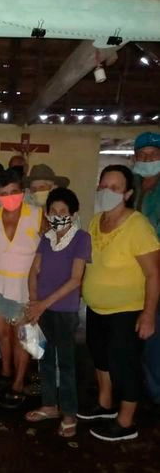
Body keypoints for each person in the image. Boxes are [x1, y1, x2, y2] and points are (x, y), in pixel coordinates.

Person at [78, 165, 159, 442]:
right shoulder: (95, 221)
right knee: (101, 358)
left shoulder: (138, 226)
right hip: (96, 308)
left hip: (126, 311)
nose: (107, 192)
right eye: (103, 186)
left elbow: (154, 274)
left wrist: (148, 314)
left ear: (127, 194)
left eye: (114, 188)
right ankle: (105, 404)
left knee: (124, 365)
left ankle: (126, 422)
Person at [25, 188, 91, 438]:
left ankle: (70, 413)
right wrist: (34, 302)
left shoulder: (81, 239)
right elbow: (34, 270)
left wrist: (42, 304)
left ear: (73, 215)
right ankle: (50, 405)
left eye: (63, 211)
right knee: (43, 358)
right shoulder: (46, 238)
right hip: (41, 309)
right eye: (53, 211)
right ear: (47, 214)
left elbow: (75, 279)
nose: (57, 216)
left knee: (66, 363)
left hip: (64, 311)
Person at [0, 169, 43, 408]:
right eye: (4, 193)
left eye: (14, 192)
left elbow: (49, 250)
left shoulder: (37, 215)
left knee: (23, 337)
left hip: (26, 287)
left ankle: (19, 383)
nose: (10, 197)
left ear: (23, 192)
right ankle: (6, 371)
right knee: (2, 333)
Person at [133, 132, 160, 410]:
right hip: (134, 276)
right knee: (138, 334)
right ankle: (140, 387)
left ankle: (155, 394)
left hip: (156, 272)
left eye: (153, 155)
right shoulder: (134, 187)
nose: (148, 160)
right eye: (143, 155)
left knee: (154, 336)